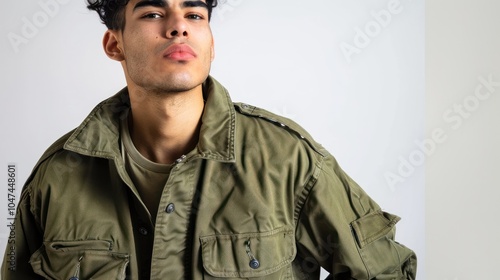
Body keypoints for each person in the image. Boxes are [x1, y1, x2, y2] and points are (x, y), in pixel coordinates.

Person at [2, 0, 417, 279]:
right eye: (152, 13)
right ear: (115, 44)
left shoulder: (287, 160)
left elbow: (385, 271)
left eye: (195, 15)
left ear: (211, 44)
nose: (178, 26)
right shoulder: (57, 175)